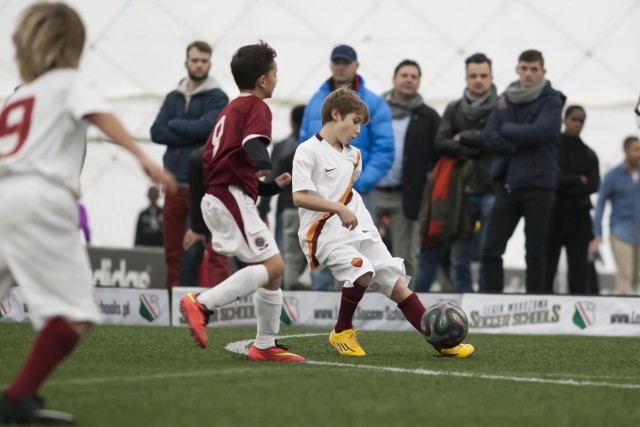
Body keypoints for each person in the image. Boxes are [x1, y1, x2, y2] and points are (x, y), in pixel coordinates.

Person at [0, 3, 176, 424]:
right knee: (76, 313)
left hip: (4, 195)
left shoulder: (17, 97)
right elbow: (98, 112)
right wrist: (142, 158)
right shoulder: (66, 81)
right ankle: (17, 398)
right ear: (72, 45)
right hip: (39, 200)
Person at [292, 87, 474, 359]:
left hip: (359, 227)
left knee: (395, 282)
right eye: (355, 122)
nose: (357, 131)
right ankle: (342, 330)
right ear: (335, 114)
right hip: (324, 235)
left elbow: (346, 189)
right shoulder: (307, 151)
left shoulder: (354, 156)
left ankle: (440, 341)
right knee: (363, 271)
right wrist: (338, 208)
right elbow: (300, 197)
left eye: (361, 125)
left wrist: (350, 212)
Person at [179, 41, 305, 362]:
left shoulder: (230, 109)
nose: (277, 79)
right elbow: (252, 144)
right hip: (228, 197)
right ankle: (202, 303)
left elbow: (214, 160)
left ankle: (264, 345)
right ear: (263, 80)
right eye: (275, 74)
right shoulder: (257, 107)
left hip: (225, 195)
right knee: (273, 266)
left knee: (272, 271)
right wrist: (263, 161)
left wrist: (268, 187)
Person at [299, 44, 394, 290]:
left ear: (356, 66)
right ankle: (318, 314)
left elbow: (385, 149)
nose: (341, 66)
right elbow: (304, 140)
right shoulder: (316, 100)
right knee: (322, 254)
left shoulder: (372, 102)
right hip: (319, 193)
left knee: (361, 249)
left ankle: (357, 312)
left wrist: (354, 183)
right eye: (337, 61)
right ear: (331, 65)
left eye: (346, 62)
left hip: (357, 190)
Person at [482, 49, 565, 294]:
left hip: (539, 185)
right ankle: (491, 302)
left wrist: (507, 128)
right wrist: (518, 141)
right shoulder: (506, 98)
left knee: (536, 252)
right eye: (524, 68)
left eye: (534, 69)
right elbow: (490, 137)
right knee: (490, 249)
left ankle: (535, 304)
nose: (528, 74)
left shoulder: (552, 100)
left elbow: (541, 131)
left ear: (543, 72)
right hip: (507, 184)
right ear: (518, 69)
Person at [150, 40, 229, 288]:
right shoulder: (173, 96)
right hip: (174, 184)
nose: (199, 65)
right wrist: (192, 131)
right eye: (195, 60)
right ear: (186, 62)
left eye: (204, 61)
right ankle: (177, 308)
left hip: (206, 185)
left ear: (210, 63)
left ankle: (218, 308)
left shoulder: (218, 96)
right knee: (174, 251)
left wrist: (175, 124)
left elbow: (208, 129)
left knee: (214, 249)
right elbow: (156, 132)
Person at [433, 53, 498, 293]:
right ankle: (463, 301)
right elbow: (440, 142)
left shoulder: (502, 107)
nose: (478, 80)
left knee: (490, 252)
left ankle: (485, 302)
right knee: (459, 254)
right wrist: (477, 146)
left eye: (483, 75)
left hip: (493, 187)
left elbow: (498, 140)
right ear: (466, 78)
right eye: (473, 76)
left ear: (491, 77)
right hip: (460, 190)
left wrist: (463, 138)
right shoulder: (454, 108)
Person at [376, 59, 441, 281]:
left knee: (404, 258)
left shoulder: (428, 117)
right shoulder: (373, 109)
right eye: (404, 75)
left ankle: (403, 307)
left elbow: (437, 153)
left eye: (414, 76)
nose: (409, 80)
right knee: (358, 253)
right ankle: (350, 305)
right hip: (370, 190)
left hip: (406, 196)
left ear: (419, 82)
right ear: (394, 79)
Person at [544, 106, 600, 294]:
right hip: (554, 213)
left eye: (581, 120)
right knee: (548, 263)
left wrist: (565, 182)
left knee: (578, 267)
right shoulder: (552, 149)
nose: (577, 124)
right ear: (564, 120)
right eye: (573, 119)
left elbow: (593, 184)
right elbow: (550, 179)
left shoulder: (588, 154)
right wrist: (577, 179)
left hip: (579, 215)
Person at [257, 105, 308, 289]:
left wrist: (263, 208)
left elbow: (271, 178)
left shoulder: (282, 147)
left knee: (287, 254)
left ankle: (287, 295)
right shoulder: (318, 146)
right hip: (313, 208)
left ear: (292, 122)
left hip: (287, 208)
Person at [592, 136, 640, 295]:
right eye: (636, 150)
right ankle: (625, 316)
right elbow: (600, 204)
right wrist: (597, 233)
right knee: (625, 274)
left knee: (636, 276)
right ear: (626, 151)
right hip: (621, 231)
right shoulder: (613, 175)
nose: (639, 154)